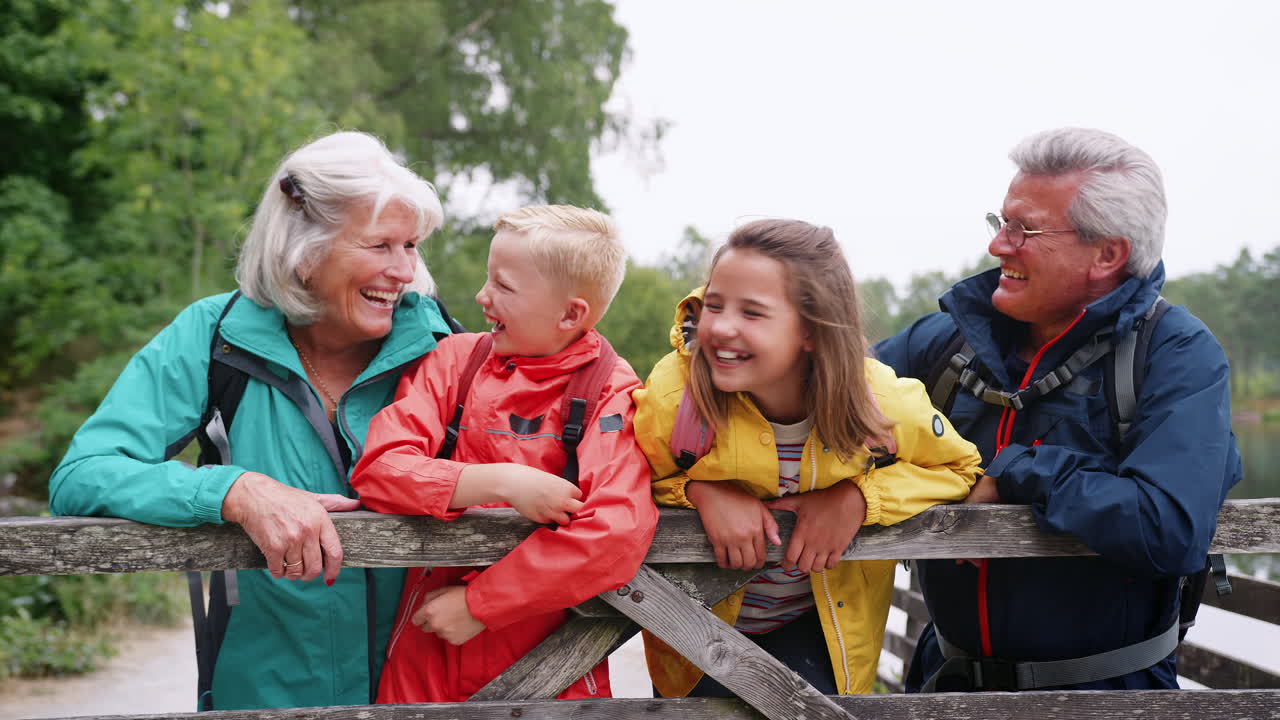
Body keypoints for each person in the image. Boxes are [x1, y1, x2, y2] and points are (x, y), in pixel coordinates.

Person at [48, 131, 456, 710]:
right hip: (261, 697)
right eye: (379, 246)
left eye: (411, 245)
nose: (404, 271)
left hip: (433, 699)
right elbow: (82, 476)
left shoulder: (450, 348)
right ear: (304, 250)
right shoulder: (211, 336)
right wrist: (235, 490)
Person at [874, 127, 1243, 692]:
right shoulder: (947, 342)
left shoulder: (1175, 352)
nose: (999, 246)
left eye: (1026, 229)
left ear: (1107, 254)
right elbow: (824, 403)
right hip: (944, 688)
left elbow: (1169, 526)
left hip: (1108, 701)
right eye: (1001, 224)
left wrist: (1021, 471)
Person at [633, 218, 984, 697]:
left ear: (812, 331)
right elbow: (622, 475)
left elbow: (961, 468)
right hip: (690, 631)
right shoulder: (676, 396)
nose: (722, 327)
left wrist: (861, 499)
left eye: (753, 313)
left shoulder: (883, 402)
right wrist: (697, 492)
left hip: (819, 631)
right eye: (713, 306)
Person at [349, 205, 659, 703]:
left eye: (504, 287)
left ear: (571, 313)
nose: (482, 297)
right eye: (487, 278)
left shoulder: (610, 390)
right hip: (426, 657)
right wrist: (504, 482)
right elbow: (379, 468)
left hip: (553, 666)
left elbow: (616, 530)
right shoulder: (454, 361)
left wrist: (479, 605)